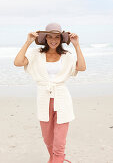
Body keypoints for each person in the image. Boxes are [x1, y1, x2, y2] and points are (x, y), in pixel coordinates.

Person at [14, 23, 86, 163]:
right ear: (45, 38)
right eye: (50, 36)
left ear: (61, 39)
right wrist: (28, 41)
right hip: (43, 98)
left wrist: (76, 45)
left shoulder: (67, 55)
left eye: (57, 37)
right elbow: (18, 62)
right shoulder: (36, 54)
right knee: (47, 138)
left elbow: (82, 67)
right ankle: (55, 158)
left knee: (59, 140)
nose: (54, 40)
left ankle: (57, 158)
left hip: (62, 98)